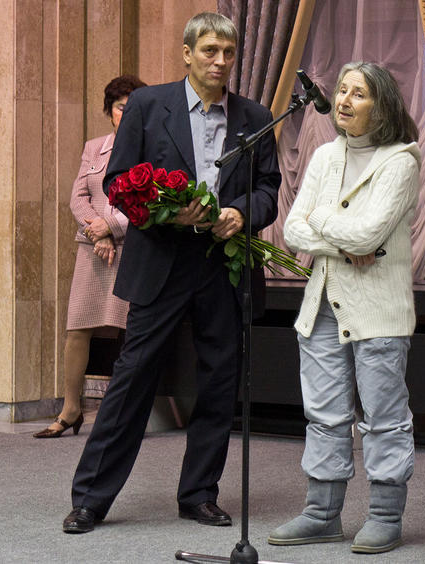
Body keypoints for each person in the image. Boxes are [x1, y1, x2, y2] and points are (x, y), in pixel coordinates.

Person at [61, 12, 281, 534]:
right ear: (187, 53)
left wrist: (242, 212)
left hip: (223, 264)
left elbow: (269, 189)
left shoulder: (255, 116)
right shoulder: (147, 105)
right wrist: (163, 209)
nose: (219, 62)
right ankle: (91, 498)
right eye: (209, 51)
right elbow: (117, 183)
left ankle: (199, 494)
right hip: (162, 259)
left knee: (219, 383)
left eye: (228, 53)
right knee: (133, 377)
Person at [269, 62, 420, 554]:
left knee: (383, 417)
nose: (346, 100)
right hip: (322, 307)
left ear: (383, 105)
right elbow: (293, 231)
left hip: (376, 308)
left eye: (359, 93)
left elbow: (370, 234)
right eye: (342, 91)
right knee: (324, 415)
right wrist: (339, 235)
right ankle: (322, 513)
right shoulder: (324, 157)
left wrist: (323, 224)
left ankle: (384, 515)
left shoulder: (401, 159)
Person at [34, 74, 146, 439]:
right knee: (76, 329)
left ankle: (124, 415)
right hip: (92, 250)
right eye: (119, 108)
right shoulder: (93, 147)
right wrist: (97, 229)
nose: (125, 115)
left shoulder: (150, 151)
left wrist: (111, 229)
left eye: (132, 109)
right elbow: (77, 197)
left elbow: (147, 203)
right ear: (108, 111)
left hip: (131, 252)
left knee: (130, 335)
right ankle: (70, 409)